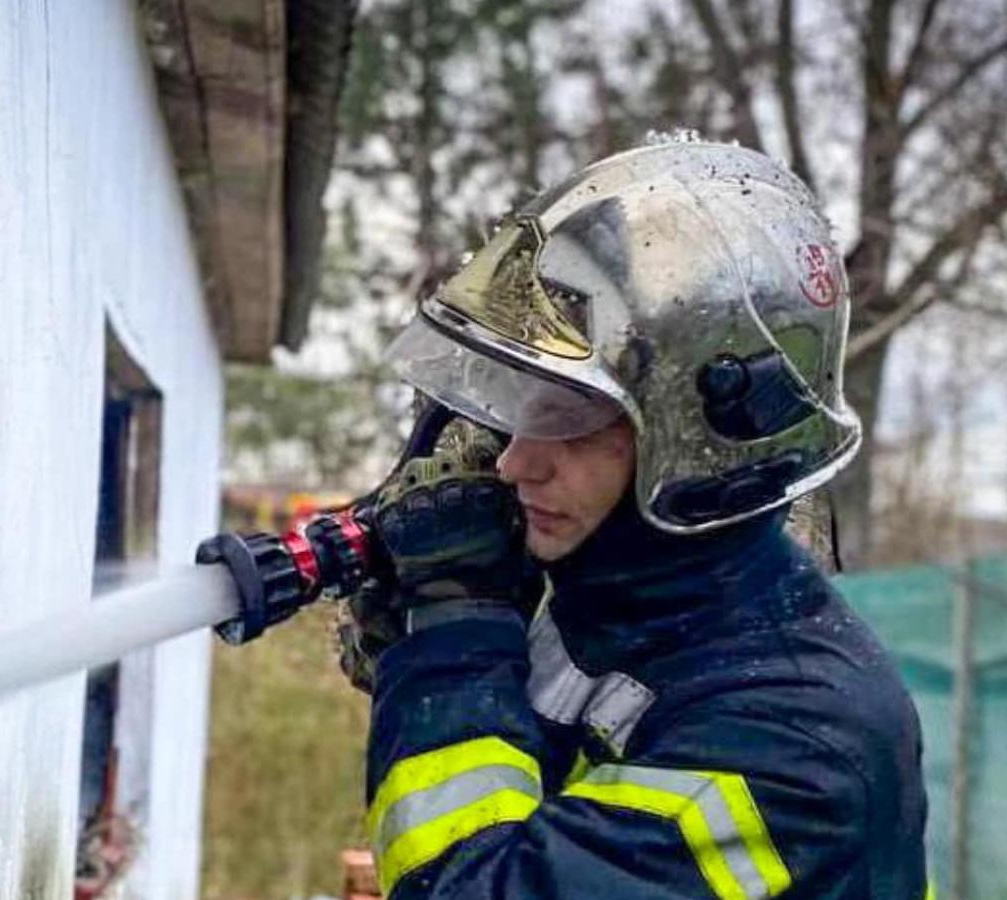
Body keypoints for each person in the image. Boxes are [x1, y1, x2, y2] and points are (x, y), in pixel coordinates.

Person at [344, 140, 928, 899]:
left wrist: (454, 637)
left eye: (569, 418)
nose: (517, 463)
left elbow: (476, 886)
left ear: (704, 440)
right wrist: (427, 650)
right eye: (521, 412)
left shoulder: (797, 742)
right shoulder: (607, 603)